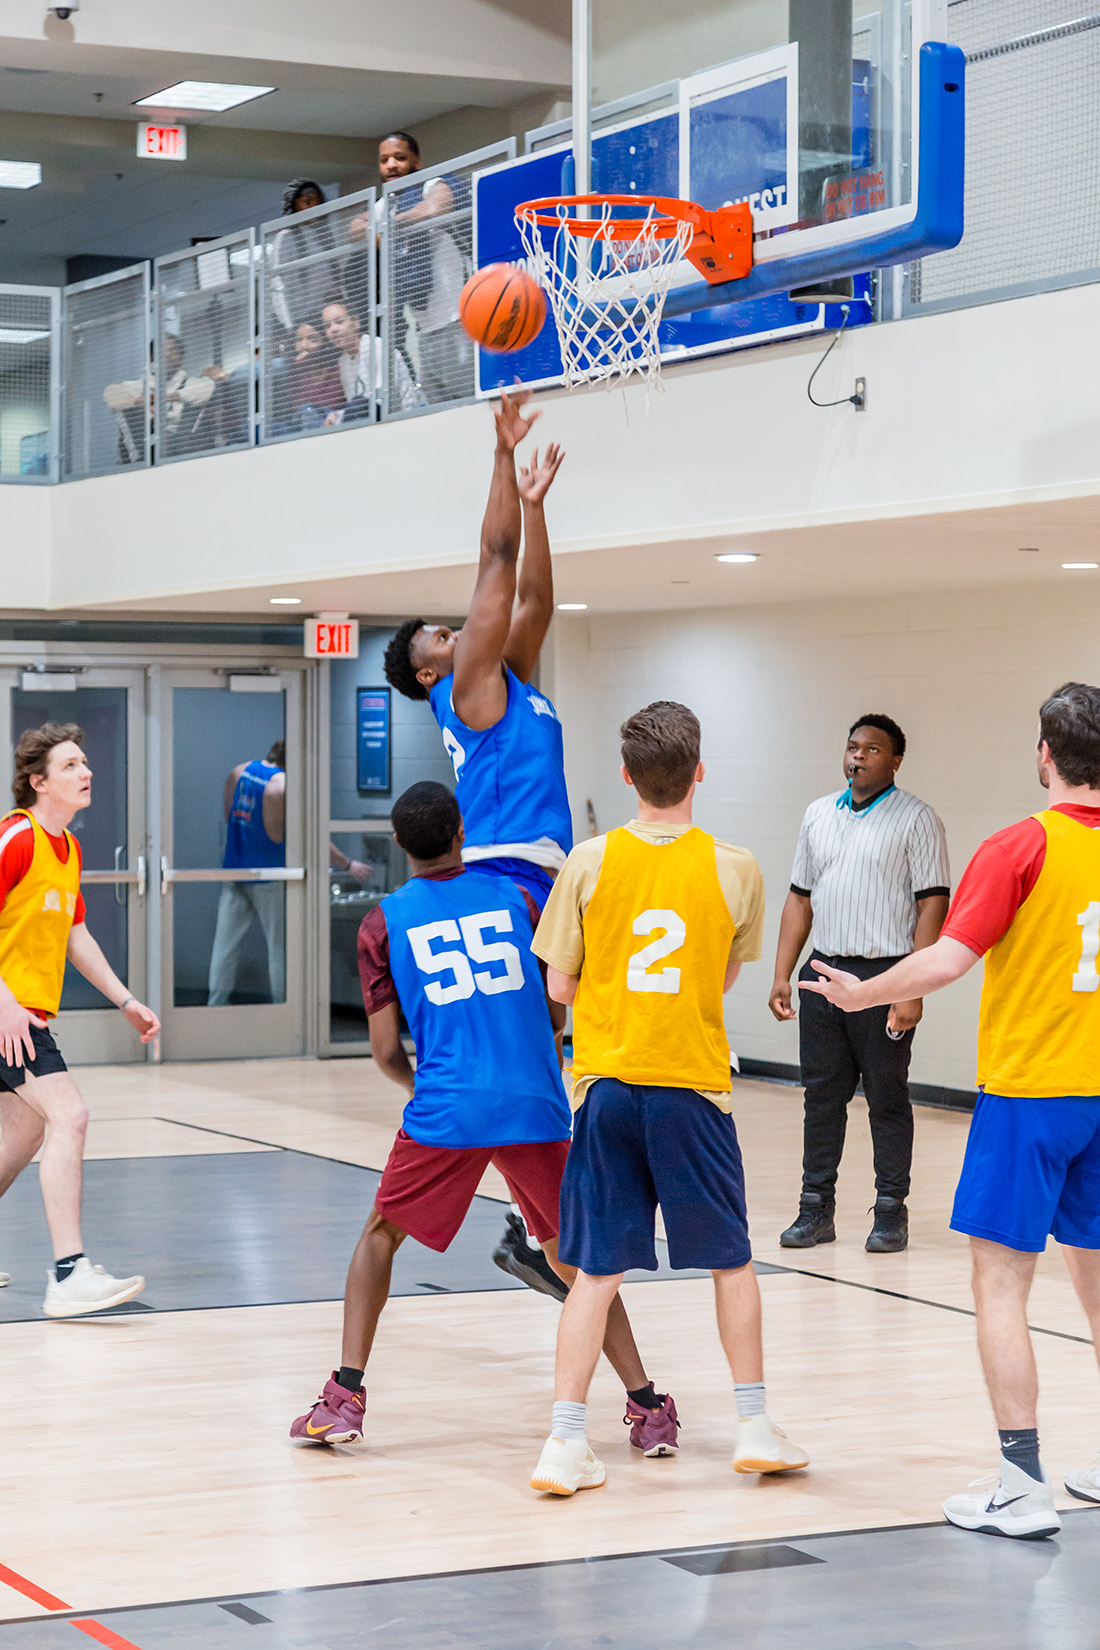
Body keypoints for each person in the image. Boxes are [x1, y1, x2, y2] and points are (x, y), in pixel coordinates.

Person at [802, 682, 1100, 1540]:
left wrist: (864, 993)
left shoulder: (1019, 846)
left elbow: (945, 960)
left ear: (1044, 755)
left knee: (1001, 1286)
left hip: (1031, 1096)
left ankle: (1020, 1481)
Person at [291, 782, 668, 1451]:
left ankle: (344, 1397)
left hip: (448, 1102)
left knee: (380, 1235)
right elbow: (558, 1010)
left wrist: (421, 1087)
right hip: (534, 1099)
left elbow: (384, 1051)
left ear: (400, 845)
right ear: (462, 831)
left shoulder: (383, 922)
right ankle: (646, 1406)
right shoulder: (521, 898)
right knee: (572, 1256)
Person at [528, 701, 809, 1495]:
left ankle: (565, 1441)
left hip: (608, 1086)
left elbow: (559, 982)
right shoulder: (738, 866)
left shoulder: (587, 861)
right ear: (700, 771)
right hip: (692, 1088)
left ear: (626, 775)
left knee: (593, 1273)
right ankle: (753, 1423)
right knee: (731, 1264)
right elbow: (722, 973)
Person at [382, 389, 568, 914]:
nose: (459, 636)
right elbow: (496, 557)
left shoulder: (498, 682)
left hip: (529, 865)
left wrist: (534, 508)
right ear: (426, 676)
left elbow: (535, 605)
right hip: (506, 867)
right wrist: (503, 455)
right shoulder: (466, 689)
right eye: (443, 639)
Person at [768, 716, 950, 1253]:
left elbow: (932, 903)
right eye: (852, 746)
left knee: (886, 1099)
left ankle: (891, 1212)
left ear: (895, 761)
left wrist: (913, 986)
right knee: (821, 1099)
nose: (859, 756)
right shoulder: (817, 814)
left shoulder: (917, 819)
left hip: (886, 974)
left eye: (873, 749)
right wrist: (783, 972)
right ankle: (814, 1209)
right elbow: (799, 898)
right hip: (824, 971)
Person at [0, 723, 158, 1316]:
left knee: (21, 1137)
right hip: (6, 1015)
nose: (84, 772)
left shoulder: (67, 849)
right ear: (38, 782)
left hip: (22, 1014)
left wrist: (125, 1000)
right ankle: (69, 1274)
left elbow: (75, 933)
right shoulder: (15, 837)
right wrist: (6, 1003)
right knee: (71, 1114)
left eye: (85, 762)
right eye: (69, 766)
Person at [351, 131, 472, 406]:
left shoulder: (432, 183)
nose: (391, 165)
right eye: (384, 160)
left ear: (416, 162)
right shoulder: (389, 203)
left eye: (400, 158)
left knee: (469, 404)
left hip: (459, 322)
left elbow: (435, 207)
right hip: (424, 330)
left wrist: (390, 224)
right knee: (439, 410)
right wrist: (382, 226)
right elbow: (355, 228)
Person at [207, 742, 287, 1007]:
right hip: (269, 875)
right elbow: (280, 835)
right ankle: (283, 1008)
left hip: (235, 868)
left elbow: (228, 815)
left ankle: (215, 1005)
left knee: (224, 948)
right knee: (279, 949)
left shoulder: (239, 772)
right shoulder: (281, 786)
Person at [103, 334, 215, 460]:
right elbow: (111, 393)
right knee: (128, 409)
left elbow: (207, 388)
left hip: (183, 447)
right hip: (145, 450)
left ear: (181, 357)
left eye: (172, 350)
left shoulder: (190, 383)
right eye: (161, 351)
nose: (167, 355)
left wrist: (171, 396)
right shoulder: (140, 385)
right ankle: (139, 461)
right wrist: (138, 400)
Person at [320, 296, 417, 423]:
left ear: (355, 322)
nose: (333, 330)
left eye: (339, 322)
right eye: (327, 326)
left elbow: (379, 401)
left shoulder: (378, 347)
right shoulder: (343, 361)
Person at [270, 179, 338, 338]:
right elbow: (279, 286)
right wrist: (291, 327)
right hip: (302, 323)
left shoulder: (325, 235)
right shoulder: (285, 237)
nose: (314, 207)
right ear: (293, 205)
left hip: (328, 319)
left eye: (318, 201)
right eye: (307, 202)